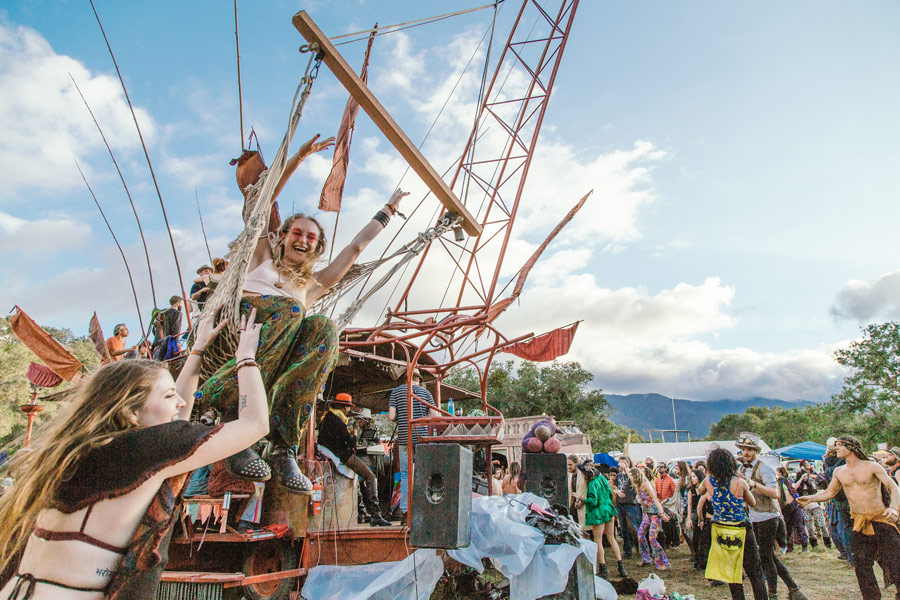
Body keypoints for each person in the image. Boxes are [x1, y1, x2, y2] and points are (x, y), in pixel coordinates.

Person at [0, 308, 266, 599]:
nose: (179, 401)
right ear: (131, 411)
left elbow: (177, 421)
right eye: (168, 396)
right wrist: (247, 358)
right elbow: (254, 424)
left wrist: (198, 350)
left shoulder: (81, 450)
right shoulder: (142, 452)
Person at [195, 133, 408, 495]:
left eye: (311, 237)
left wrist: (387, 210)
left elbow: (357, 246)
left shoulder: (313, 285)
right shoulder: (261, 258)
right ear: (282, 237)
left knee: (323, 327)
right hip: (230, 351)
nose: (304, 240)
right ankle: (231, 421)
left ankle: (282, 445)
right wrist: (298, 157)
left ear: (317, 246)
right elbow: (264, 202)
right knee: (290, 309)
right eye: (297, 232)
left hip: (272, 364)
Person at [799, 435, 900, 600]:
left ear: (851, 447)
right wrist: (810, 498)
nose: (835, 448)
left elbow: (893, 487)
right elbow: (829, 493)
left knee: (895, 563)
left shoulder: (871, 466)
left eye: (839, 445)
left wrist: (894, 508)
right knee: (861, 566)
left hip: (881, 521)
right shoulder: (839, 471)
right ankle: (871, 597)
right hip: (859, 524)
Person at [736, 432, 808, 600]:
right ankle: (793, 589)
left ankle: (774, 593)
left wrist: (753, 484)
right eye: (743, 449)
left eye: (749, 449)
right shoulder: (741, 469)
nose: (746, 452)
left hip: (768, 517)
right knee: (768, 556)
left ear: (756, 451)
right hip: (752, 517)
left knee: (766, 556)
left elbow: (775, 493)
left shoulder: (765, 468)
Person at [696, 448, 767, 600]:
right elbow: (753, 503)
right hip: (741, 528)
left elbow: (699, 491)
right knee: (754, 570)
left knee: (731, 571)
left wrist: (709, 479)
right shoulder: (740, 482)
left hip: (721, 529)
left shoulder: (708, 481)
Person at [318, 393, 391, 527]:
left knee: (363, 481)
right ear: (343, 407)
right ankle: (376, 515)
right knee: (370, 477)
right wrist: (355, 435)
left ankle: (366, 512)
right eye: (348, 408)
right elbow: (351, 443)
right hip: (342, 454)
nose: (348, 411)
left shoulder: (329, 418)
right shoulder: (338, 421)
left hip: (335, 451)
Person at [388, 369, 438, 520]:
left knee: (405, 474)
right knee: (423, 473)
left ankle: (405, 511)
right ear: (418, 379)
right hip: (422, 437)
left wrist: (402, 416)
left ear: (405, 379)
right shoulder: (425, 393)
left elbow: (391, 417)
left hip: (404, 438)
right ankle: (424, 509)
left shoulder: (396, 392)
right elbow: (435, 416)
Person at [581, 462, 627, 579]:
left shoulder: (592, 484)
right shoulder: (602, 478)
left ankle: (603, 568)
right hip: (608, 509)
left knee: (598, 541)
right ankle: (621, 567)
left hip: (598, 513)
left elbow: (593, 501)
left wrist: (581, 498)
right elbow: (610, 492)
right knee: (612, 538)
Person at [633, 466, 671, 570]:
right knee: (640, 534)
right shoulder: (638, 485)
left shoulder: (646, 484)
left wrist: (662, 513)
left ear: (636, 476)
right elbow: (629, 472)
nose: (630, 479)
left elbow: (655, 499)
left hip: (655, 513)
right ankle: (646, 558)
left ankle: (663, 562)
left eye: (632, 477)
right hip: (647, 514)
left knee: (652, 538)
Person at [793, 460, 830, 550]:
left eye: (806, 476)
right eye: (804, 476)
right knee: (809, 527)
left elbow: (817, 493)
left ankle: (827, 542)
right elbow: (794, 488)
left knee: (822, 524)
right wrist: (801, 479)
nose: (805, 477)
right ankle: (814, 544)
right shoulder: (799, 484)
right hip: (805, 507)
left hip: (814, 505)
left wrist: (820, 504)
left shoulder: (811, 482)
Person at [613, 455, 641, 560]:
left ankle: (642, 549)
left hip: (630, 503)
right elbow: (615, 486)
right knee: (623, 528)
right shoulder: (619, 475)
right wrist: (617, 491)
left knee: (635, 527)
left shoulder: (632, 473)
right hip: (620, 503)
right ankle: (627, 551)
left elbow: (634, 482)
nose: (622, 464)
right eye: (620, 462)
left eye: (624, 462)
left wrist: (627, 468)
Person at [776, 466, 809, 553]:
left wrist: (801, 478)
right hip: (785, 508)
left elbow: (794, 488)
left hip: (793, 505)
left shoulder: (786, 481)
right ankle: (788, 547)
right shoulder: (776, 484)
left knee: (799, 526)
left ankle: (804, 546)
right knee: (787, 528)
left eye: (778, 472)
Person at [567, 455, 587, 527]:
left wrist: (582, 500)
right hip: (573, 508)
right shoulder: (569, 477)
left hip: (583, 506)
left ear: (576, 464)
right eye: (567, 464)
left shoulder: (583, 475)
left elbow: (587, 490)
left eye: (570, 464)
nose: (568, 467)